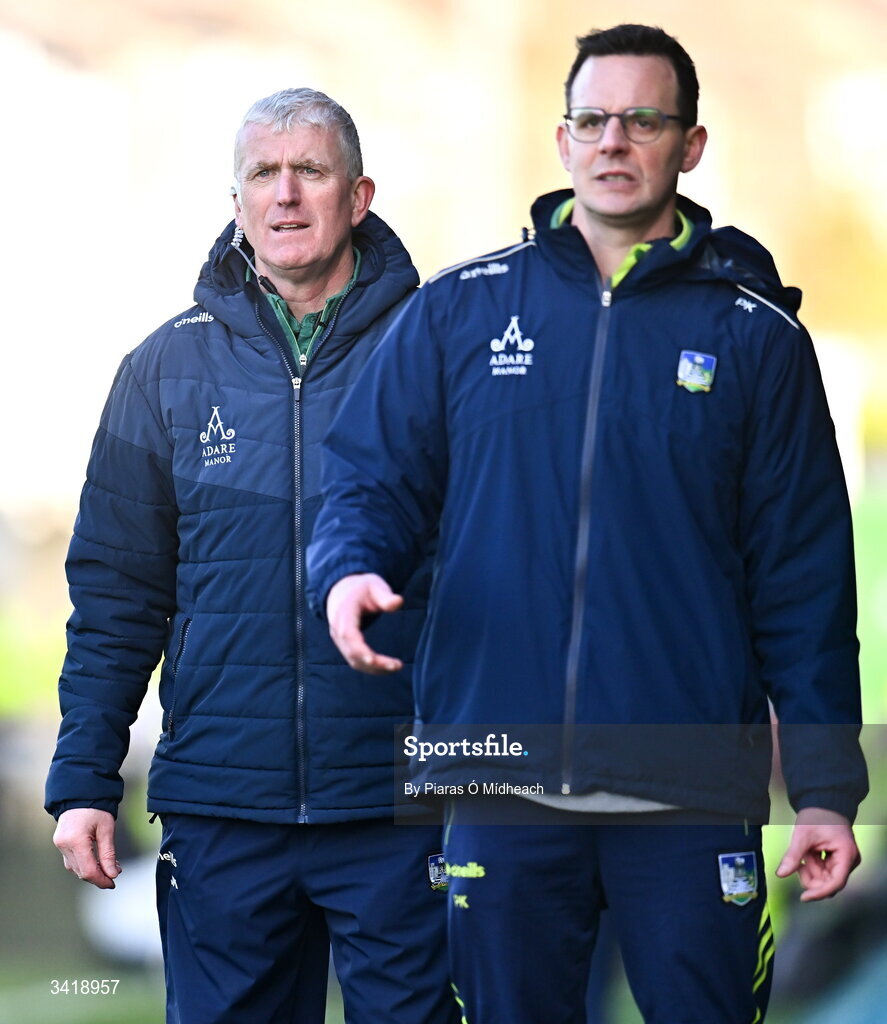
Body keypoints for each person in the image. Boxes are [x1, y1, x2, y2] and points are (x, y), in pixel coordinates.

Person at [306, 25, 868, 1024]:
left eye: (642, 120)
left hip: (689, 787)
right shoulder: (460, 311)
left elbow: (804, 581)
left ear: (688, 144)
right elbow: (366, 480)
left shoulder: (755, 339)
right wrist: (348, 569)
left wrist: (823, 788)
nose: (614, 140)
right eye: (593, 119)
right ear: (561, 140)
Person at [45, 88, 457, 1024]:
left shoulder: (438, 348)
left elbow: (508, 572)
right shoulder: (163, 370)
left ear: (359, 196)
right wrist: (84, 780)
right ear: (235, 203)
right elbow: (115, 594)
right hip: (222, 808)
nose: (285, 194)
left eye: (309, 170)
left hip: (405, 803)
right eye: (262, 174)